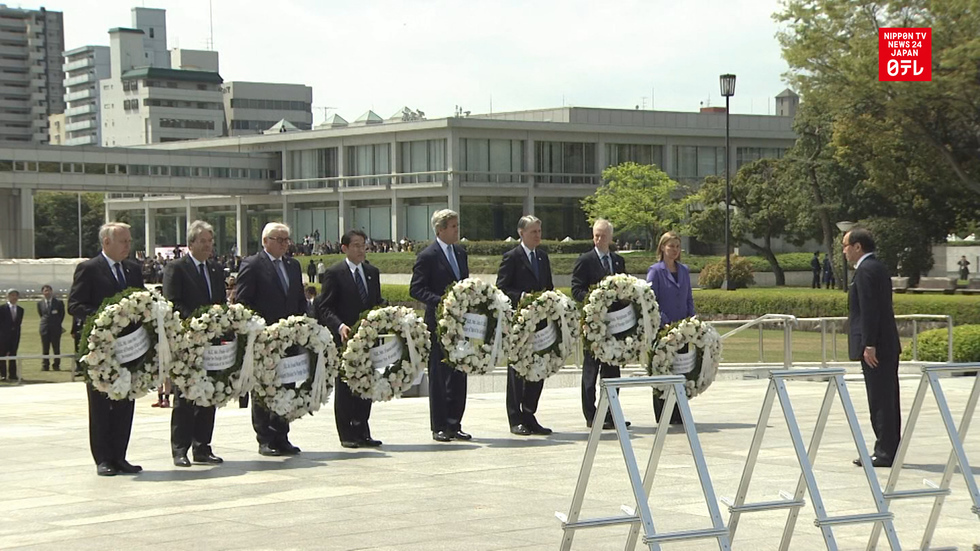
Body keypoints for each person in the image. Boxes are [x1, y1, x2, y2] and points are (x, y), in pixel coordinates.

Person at [67, 222, 145, 476]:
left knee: (125, 402)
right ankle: (103, 458)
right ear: (107, 242)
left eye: (129, 241)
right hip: (100, 350)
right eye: (123, 241)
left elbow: (142, 302)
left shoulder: (133, 269)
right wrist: (107, 318)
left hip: (129, 348)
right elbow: (75, 305)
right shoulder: (89, 269)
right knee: (101, 404)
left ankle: (120, 456)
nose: (128, 246)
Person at [235, 222, 307, 457]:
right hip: (265, 340)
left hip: (290, 338)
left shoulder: (293, 265)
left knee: (287, 387)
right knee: (264, 388)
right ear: (265, 241)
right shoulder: (253, 265)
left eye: (287, 239)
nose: (285, 244)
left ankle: (282, 435)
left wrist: (302, 325)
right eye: (279, 239)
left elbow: (299, 299)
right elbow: (243, 302)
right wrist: (259, 330)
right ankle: (265, 438)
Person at [162, 220, 226, 468]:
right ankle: (180, 449)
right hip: (187, 343)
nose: (208, 246)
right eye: (203, 241)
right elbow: (173, 302)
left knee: (209, 393)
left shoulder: (215, 269)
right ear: (191, 243)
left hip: (212, 343)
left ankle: (202, 447)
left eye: (210, 241)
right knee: (185, 397)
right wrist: (198, 323)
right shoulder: (177, 268)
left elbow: (220, 302)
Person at [315, 229, 385, 448]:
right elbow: (325, 307)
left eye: (363, 245)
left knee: (366, 383)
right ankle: (346, 433)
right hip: (345, 340)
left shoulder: (372, 272)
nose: (361, 249)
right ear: (344, 248)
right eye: (356, 245)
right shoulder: (335, 273)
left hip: (368, 339)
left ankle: (363, 430)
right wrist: (339, 326)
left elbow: (377, 302)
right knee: (346, 386)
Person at [410, 209, 472, 442]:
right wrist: (443, 301)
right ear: (440, 230)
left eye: (457, 226)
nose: (457, 230)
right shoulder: (427, 256)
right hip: (438, 323)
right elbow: (416, 288)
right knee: (439, 374)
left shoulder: (461, 253)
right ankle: (439, 426)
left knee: (459, 372)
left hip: (460, 323)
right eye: (453, 226)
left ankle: (455, 423)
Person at [844, 228, 901, 468]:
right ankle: (889, 449)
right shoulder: (876, 267)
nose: (844, 251)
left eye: (846, 246)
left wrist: (869, 344)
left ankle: (884, 452)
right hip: (885, 344)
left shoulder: (866, 270)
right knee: (886, 399)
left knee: (880, 400)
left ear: (858, 247)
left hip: (877, 347)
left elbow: (869, 310)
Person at [496, 215, 554, 436]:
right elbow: (501, 288)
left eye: (539, 231)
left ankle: (530, 413)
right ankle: (515, 418)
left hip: (540, 324)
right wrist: (521, 296)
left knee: (539, 367)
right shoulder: (512, 257)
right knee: (517, 371)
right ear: (521, 233)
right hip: (519, 324)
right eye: (533, 232)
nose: (538, 235)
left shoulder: (542, 257)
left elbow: (548, 286)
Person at [572, 219, 627, 429]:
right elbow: (576, 289)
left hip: (615, 324)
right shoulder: (585, 260)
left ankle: (612, 413)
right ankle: (591, 415)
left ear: (610, 237)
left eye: (603, 235)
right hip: (593, 324)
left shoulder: (618, 261)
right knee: (591, 371)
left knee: (612, 371)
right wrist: (595, 301)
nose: (598, 239)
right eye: (596, 235)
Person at [646, 231, 696, 425]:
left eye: (677, 246)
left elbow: (688, 297)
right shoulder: (655, 271)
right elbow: (651, 302)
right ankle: (662, 414)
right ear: (662, 247)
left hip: (682, 332)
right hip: (663, 331)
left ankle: (678, 412)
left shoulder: (683, 270)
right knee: (662, 370)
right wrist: (666, 324)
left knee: (680, 370)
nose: (674, 250)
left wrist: (690, 321)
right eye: (671, 246)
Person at [37, 285, 65, 372]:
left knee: (56, 347)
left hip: (55, 328)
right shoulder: (40, 303)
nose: (47, 292)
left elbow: (62, 315)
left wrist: (56, 323)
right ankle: (45, 365)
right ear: (43, 292)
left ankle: (56, 365)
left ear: (51, 291)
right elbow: (41, 315)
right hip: (44, 328)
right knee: (45, 348)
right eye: (45, 291)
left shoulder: (59, 302)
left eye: (49, 290)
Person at [0, 290, 24, 381]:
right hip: (3, 336)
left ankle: (13, 374)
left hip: (15, 336)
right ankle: (3, 375)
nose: (14, 297)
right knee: (2, 355)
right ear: (8, 296)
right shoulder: (2, 309)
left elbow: (18, 323)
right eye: (12, 295)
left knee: (13, 354)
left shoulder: (20, 310)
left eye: (16, 295)